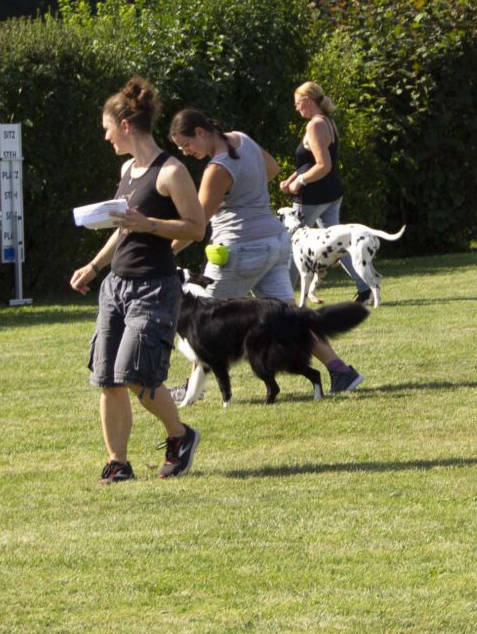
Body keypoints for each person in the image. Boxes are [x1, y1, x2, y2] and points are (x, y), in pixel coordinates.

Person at [69, 78, 208, 483]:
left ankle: (180, 436)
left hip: (154, 286)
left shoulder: (171, 171)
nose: (106, 136)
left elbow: (196, 227)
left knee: (136, 375)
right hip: (116, 286)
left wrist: (150, 224)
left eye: (107, 128)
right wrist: (94, 267)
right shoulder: (127, 169)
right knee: (108, 378)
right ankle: (118, 463)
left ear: (126, 125)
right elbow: (123, 228)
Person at [169, 107, 363, 394]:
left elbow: (197, 224)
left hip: (238, 250)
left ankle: (191, 390)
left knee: (203, 321)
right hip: (275, 243)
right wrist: (248, 186)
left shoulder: (217, 170)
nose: (186, 152)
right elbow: (272, 169)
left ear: (200, 132)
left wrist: (167, 250)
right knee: (290, 318)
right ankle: (340, 371)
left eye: (186, 145)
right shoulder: (242, 139)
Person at [279, 80, 367, 301]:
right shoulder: (328, 121)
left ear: (307, 100)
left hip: (314, 197)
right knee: (340, 244)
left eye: (297, 103)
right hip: (331, 193)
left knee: (293, 245)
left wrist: (300, 181)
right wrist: (292, 178)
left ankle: (283, 297)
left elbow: (323, 165)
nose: (296, 108)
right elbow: (309, 162)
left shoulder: (315, 125)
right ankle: (365, 288)